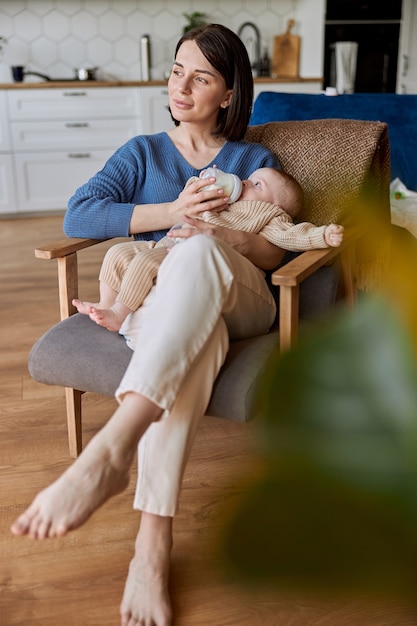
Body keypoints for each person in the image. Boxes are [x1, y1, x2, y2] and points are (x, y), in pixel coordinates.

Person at [12, 23, 301, 626]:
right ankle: (152, 546)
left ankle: (110, 451)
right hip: (159, 309)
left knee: (198, 256)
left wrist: (220, 234)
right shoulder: (141, 153)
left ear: (227, 93)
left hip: (242, 297)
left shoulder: (253, 160)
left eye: (201, 77)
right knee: (195, 339)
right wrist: (173, 211)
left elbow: (277, 253)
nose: (182, 86)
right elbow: (79, 212)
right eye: (176, 71)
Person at [72, 167, 344, 337]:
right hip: (170, 242)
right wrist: (203, 183)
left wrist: (322, 235)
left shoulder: (269, 215)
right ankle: (107, 304)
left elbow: (292, 235)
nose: (246, 183)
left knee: (146, 261)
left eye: (258, 185)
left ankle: (120, 313)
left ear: (276, 206)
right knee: (119, 253)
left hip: (197, 258)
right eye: (249, 179)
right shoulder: (224, 203)